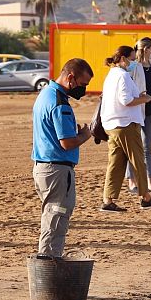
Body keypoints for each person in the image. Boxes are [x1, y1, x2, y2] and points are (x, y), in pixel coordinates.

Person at [31, 59, 94, 258]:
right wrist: (85, 135)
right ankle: (49, 264)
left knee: (51, 215)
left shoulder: (45, 94)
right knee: (56, 219)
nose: (83, 90)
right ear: (70, 78)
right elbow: (66, 143)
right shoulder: (59, 102)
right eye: (83, 84)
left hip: (44, 168)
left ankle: (48, 261)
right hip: (57, 170)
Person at [100, 46, 151, 212]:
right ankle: (146, 197)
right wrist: (144, 98)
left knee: (116, 163)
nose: (134, 62)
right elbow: (126, 100)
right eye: (132, 59)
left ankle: (108, 200)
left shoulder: (112, 75)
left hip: (114, 124)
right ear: (123, 58)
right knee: (138, 161)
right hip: (125, 124)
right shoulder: (121, 76)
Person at [126, 37, 151, 194]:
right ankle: (131, 181)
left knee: (147, 148)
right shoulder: (133, 67)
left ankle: (150, 182)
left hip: (150, 113)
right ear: (146, 49)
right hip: (135, 112)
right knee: (134, 147)